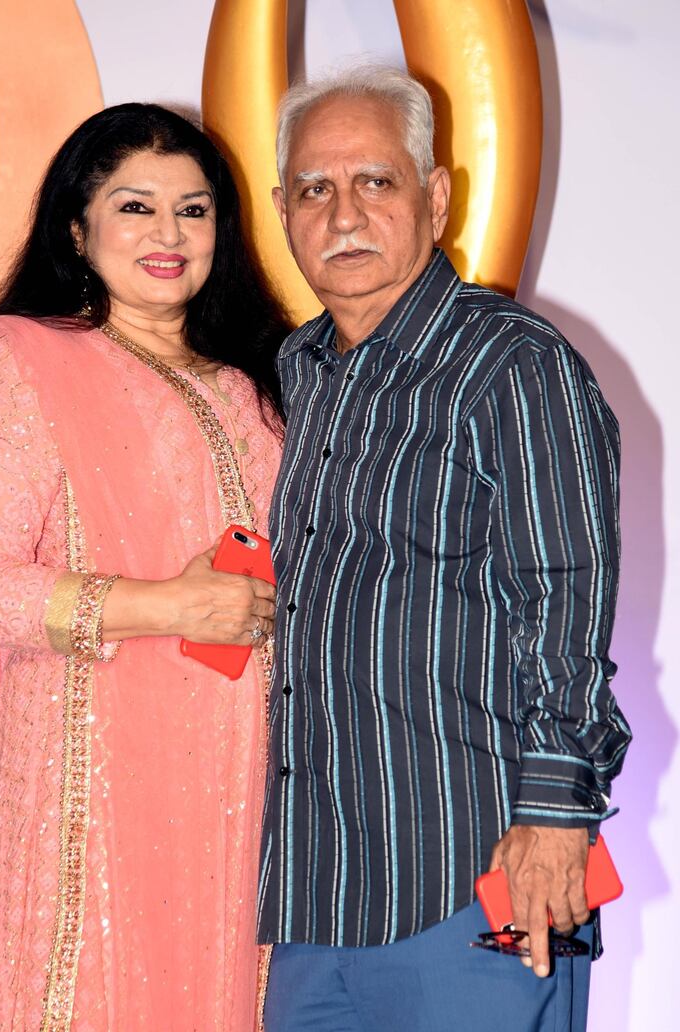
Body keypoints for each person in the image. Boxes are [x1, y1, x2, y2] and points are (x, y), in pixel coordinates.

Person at [0, 103, 289, 1031]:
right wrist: (167, 604)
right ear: (79, 224)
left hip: (235, 789)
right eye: (135, 206)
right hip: (84, 786)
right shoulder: (26, 361)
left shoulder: (258, 385)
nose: (168, 234)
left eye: (194, 210)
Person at [258, 66, 631, 1031]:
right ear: (281, 210)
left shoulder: (512, 364)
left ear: (436, 196)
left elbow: (567, 596)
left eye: (375, 182)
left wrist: (556, 818)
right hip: (314, 900)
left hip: (475, 881)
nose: (342, 212)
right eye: (313, 187)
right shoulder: (298, 373)